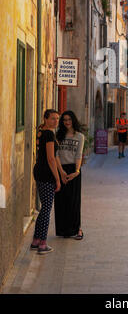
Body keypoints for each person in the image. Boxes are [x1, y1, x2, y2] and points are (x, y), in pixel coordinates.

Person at [31, 109, 61, 255]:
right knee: (47, 209)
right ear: (45, 119)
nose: (56, 121)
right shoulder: (49, 134)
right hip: (46, 173)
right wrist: (57, 178)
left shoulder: (41, 130)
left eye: (57, 119)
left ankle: (36, 240)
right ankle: (42, 244)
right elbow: (51, 158)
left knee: (44, 208)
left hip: (39, 170)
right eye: (53, 118)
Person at [55, 111, 85, 240]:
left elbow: (79, 155)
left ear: (73, 121)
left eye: (69, 119)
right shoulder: (58, 135)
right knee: (61, 201)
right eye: (64, 120)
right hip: (60, 169)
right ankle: (64, 230)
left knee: (74, 201)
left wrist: (76, 171)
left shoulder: (80, 136)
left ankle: (77, 229)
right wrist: (61, 172)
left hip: (74, 169)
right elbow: (55, 155)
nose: (67, 122)